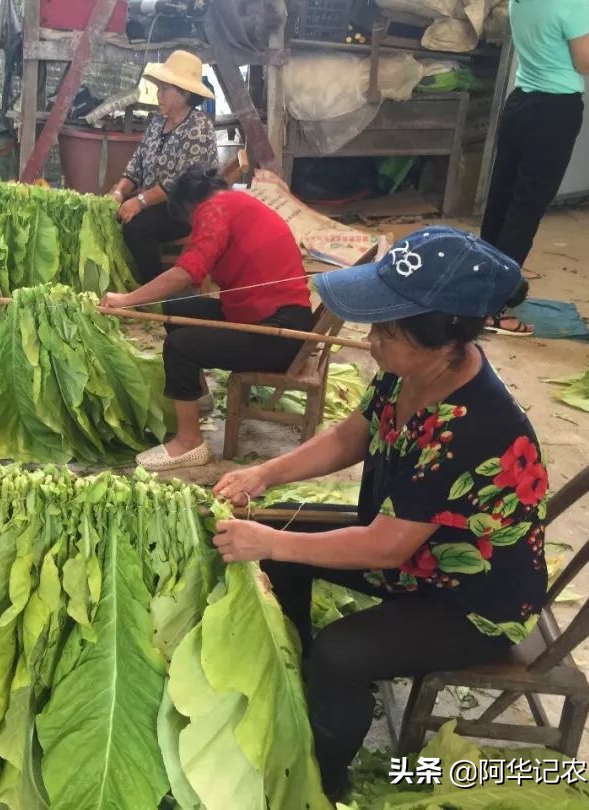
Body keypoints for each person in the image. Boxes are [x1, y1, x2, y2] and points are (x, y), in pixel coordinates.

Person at [210, 227, 546, 801]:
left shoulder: (473, 427)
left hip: (471, 599)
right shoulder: (412, 370)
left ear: (441, 339)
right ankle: (293, 682)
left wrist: (267, 540)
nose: (370, 341)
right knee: (281, 548)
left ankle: (326, 779)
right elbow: (353, 435)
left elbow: (384, 548)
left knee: (340, 653)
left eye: (386, 330)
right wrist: (266, 474)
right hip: (411, 550)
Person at [101, 167, 314, 472]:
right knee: (179, 310)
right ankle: (198, 396)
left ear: (189, 207)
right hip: (270, 316)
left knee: (180, 346)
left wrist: (127, 300)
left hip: (279, 333)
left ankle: (190, 443)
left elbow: (187, 272)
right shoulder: (233, 202)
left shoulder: (215, 208)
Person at [480, 0, 589, 336]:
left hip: (520, 104)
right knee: (525, 210)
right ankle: (493, 309)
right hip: (555, 111)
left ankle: (480, 283)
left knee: (501, 201)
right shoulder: (573, 5)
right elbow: (586, 61)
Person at [108, 50, 219, 284]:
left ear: (185, 93)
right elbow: (136, 164)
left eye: (165, 89)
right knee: (111, 213)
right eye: (159, 88)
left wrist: (140, 202)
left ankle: (154, 289)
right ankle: (130, 280)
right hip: (156, 202)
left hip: (185, 209)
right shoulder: (158, 121)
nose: (159, 94)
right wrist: (119, 191)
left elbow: (181, 183)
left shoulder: (198, 127)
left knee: (137, 228)